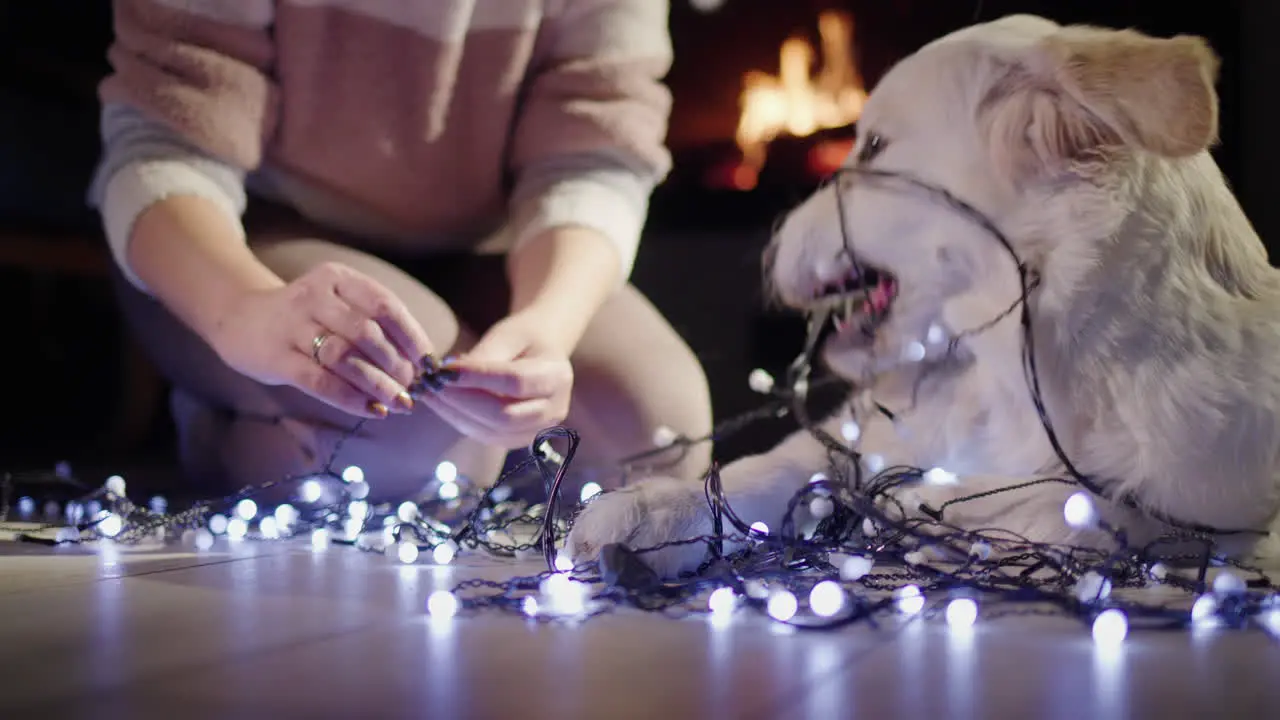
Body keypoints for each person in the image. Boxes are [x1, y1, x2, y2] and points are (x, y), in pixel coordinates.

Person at [88, 0, 713, 501]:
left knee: (661, 438)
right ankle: (219, 427)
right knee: (419, 435)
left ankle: (446, 461)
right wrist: (244, 310)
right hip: (249, 239)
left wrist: (548, 323)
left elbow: (591, 154)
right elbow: (163, 146)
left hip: (484, 250)